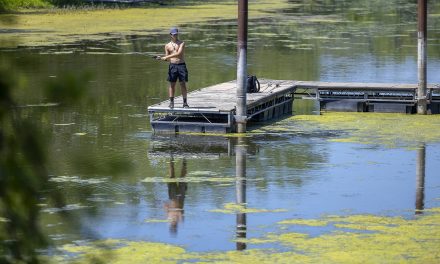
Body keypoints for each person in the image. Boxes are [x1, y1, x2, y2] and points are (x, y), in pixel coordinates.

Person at [159, 27, 189, 109]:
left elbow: (179, 54)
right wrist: (162, 58)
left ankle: (185, 103)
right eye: (174, 34)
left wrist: (167, 56)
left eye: (176, 34)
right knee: (172, 84)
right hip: (172, 66)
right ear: (170, 35)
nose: (175, 35)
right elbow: (168, 59)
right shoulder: (167, 46)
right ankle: (171, 103)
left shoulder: (182, 43)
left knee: (183, 84)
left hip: (181, 65)